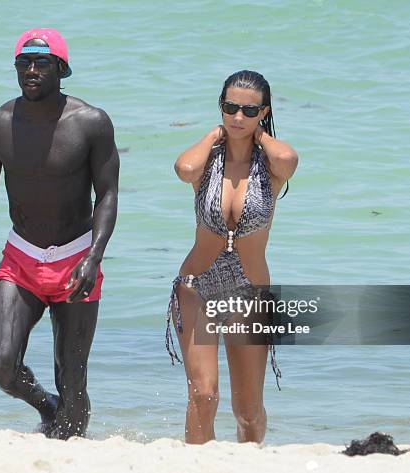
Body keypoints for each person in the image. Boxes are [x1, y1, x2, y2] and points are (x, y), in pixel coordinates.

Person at [0, 28, 119, 440]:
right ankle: (46, 407)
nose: (31, 70)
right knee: (1, 363)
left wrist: (93, 257)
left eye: (41, 63)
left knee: (73, 381)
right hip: (21, 259)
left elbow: (108, 195)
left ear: (62, 69)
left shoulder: (91, 123)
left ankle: (66, 445)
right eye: (23, 62)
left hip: (76, 259)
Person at [165, 70, 298, 444]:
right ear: (220, 108)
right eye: (229, 107)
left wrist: (260, 134)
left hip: (249, 292)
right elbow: (184, 169)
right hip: (198, 285)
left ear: (263, 112)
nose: (237, 117)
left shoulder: (270, 167)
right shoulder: (207, 161)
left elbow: (288, 158)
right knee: (203, 395)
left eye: (248, 110)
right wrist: (213, 135)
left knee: (248, 412)